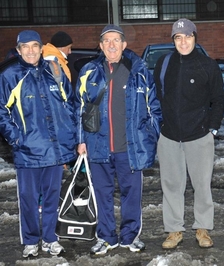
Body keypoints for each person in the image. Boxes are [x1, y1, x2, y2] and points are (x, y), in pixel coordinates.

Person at [75, 24, 162, 255]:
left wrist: (149, 137)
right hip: (98, 147)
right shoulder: (88, 71)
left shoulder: (139, 70)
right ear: (101, 46)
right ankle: (105, 237)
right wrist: (81, 140)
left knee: (131, 195)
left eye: (116, 40)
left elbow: (154, 107)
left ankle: (130, 236)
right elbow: (79, 108)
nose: (111, 45)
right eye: (107, 41)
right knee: (102, 195)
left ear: (124, 44)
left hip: (129, 149)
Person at [0, 30, 76, 257]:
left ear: (41, 48)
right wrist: (15, 138)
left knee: (53, 198)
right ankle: (31, 241)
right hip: (28, 151)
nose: (31, 51)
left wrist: (69, 136)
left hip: (54, 151)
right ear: (19, 49)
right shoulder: (10, 75)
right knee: (29, 200)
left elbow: (70, 104)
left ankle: (51, 238)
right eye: (26, 46)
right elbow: (1, 111)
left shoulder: (54, 71)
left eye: (35, 46)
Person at [153, 18, 224, 249]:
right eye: (178, 37)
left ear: (195, 37)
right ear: (173, 40)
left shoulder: (208, 65)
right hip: (170, 136)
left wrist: (212, 129)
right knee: (172, 186)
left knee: (202, 185)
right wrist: (161, 127)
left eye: (188, 36)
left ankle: (202, 227)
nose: (183, 42)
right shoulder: (164, 64)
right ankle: (174, 230)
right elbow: (157, 98)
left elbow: (219, 100)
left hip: (200, 136)